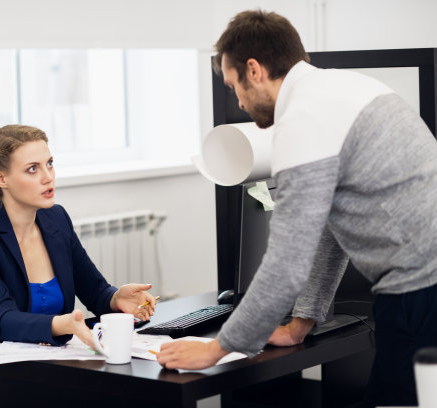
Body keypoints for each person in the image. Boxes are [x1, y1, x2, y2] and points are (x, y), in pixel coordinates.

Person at [156, 10, 437, 407]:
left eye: (234, 85)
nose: (236, 99)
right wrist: (301, 322)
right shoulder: (344, 87)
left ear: (254, 70)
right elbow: (329, 224)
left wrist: (216, 349)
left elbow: (286, 263)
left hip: (420, 291)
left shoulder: (302, 120)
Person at [0, 124, 157, 369]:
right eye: (33, 169)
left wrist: (116, 298)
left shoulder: (56, 218)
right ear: (1, 178)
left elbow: (95, 292)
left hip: (48, 363)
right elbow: (0, 318)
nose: (48, 177)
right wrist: (62, 325)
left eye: (49, 163)